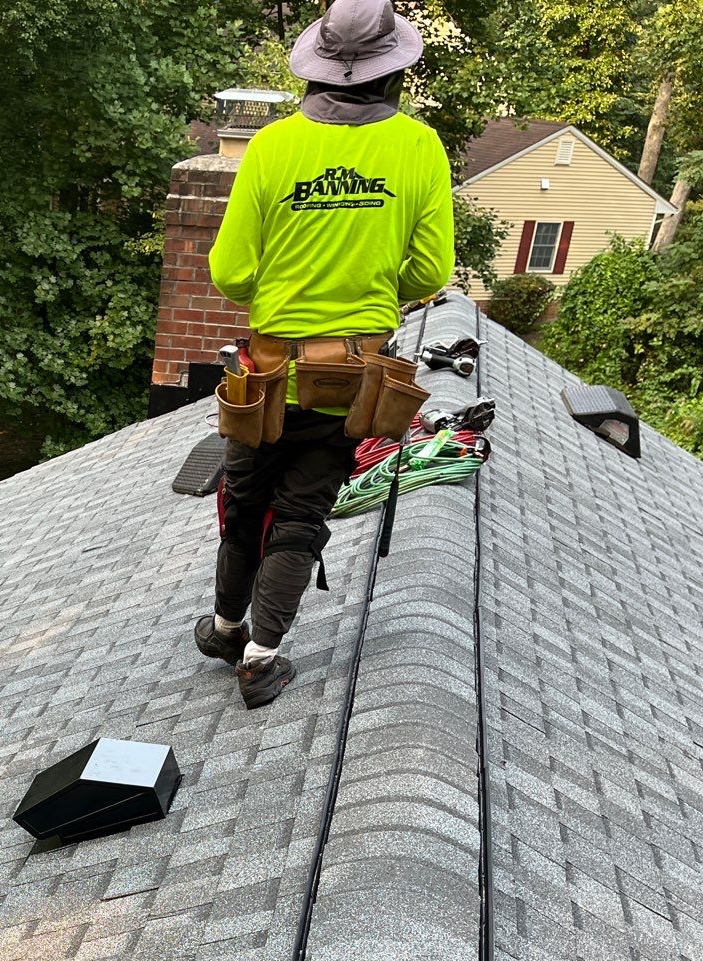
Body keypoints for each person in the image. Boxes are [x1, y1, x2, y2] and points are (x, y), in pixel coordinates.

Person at [196, 0, 454, 708]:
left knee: (245, 500)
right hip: (351, 374)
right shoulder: (419, 148)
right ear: (391, 71)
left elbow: (231, 272)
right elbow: (430, 272)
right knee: (302, 512)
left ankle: (225, 628)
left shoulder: (273, 146)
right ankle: (260, 660)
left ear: (317, 67)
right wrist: (365, 289)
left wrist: (285, 290)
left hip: (268, 371)